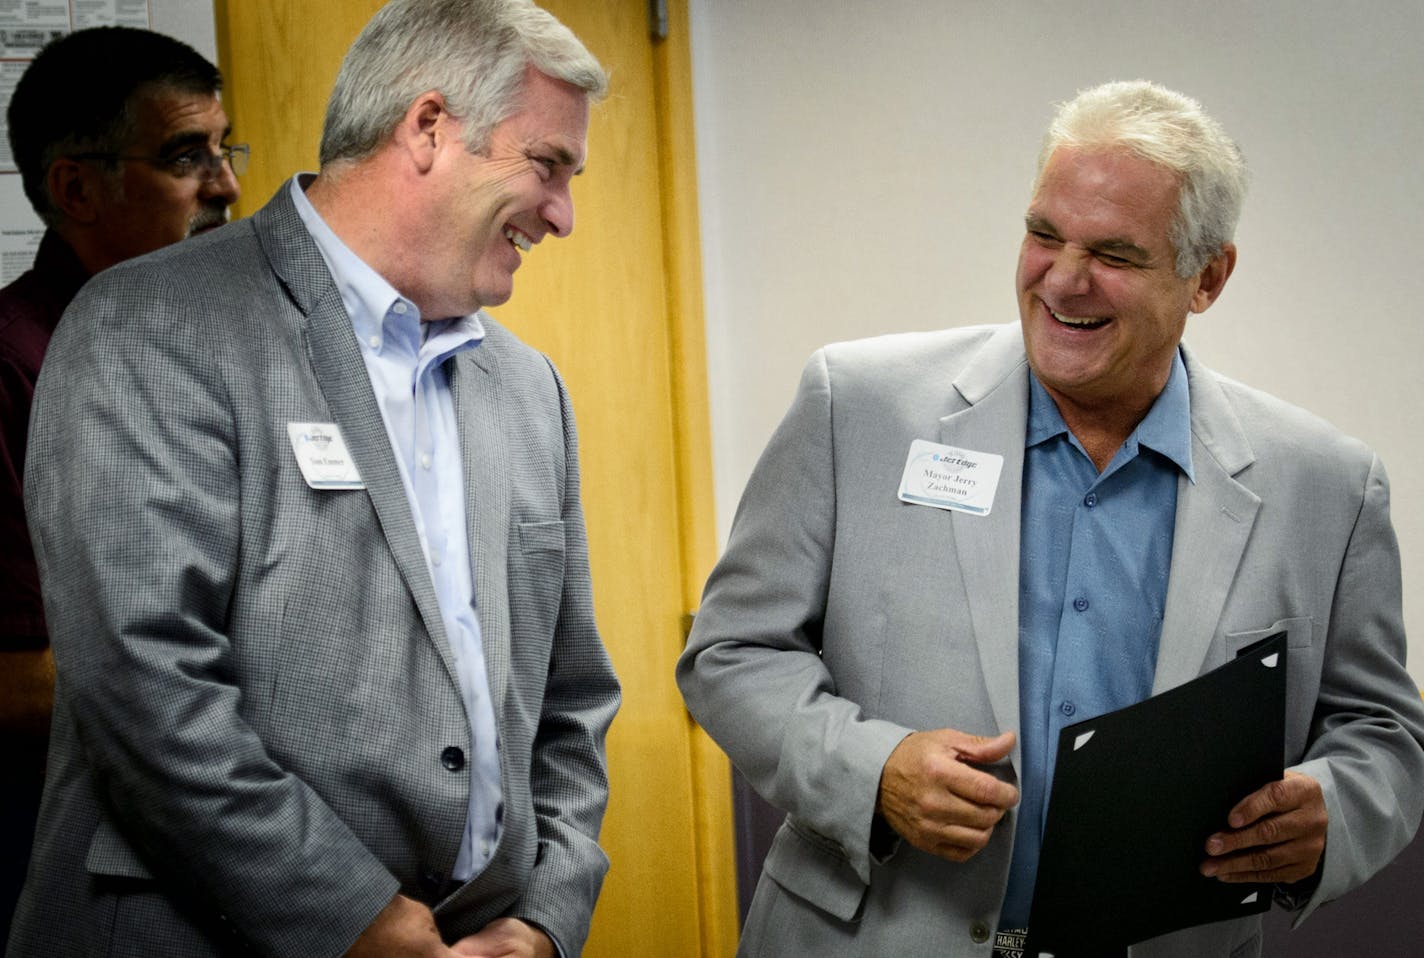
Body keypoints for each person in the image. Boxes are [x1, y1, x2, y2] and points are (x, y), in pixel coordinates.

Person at [677, 80, 1424, 957]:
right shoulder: (860, 407)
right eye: (1043, 235)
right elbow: (732, 654)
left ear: (1208, 277)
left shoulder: (1326, 487)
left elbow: (1381, 734)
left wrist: (1333, 812)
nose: (1063, 280)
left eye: (1115, 253)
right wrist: (869, 771)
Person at [9, 1, 619, 956]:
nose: (563, 216)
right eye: (548, 166)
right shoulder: (150, 324)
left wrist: (545, 918)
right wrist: (350, 917)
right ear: (428, 127)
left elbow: (573, 701)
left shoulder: (526, 388)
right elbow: (142, 681)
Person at [0, 26, 241, 943]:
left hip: (221, 839)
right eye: (187, 156)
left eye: (225, 150)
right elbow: (21, 682)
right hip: (64, 849)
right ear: (75, 187)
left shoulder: (207, 357)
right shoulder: (17, 364)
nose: (225, 186)